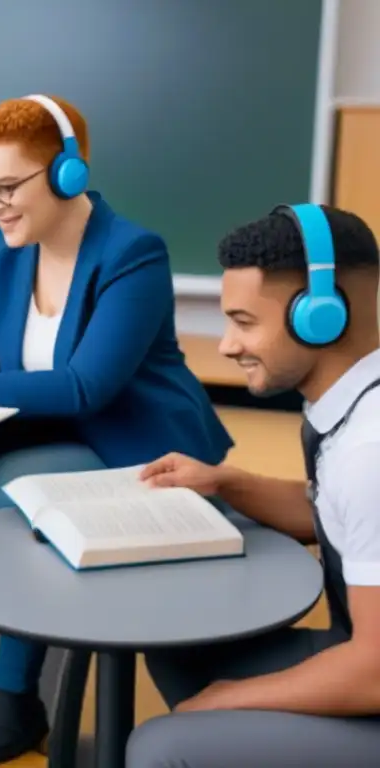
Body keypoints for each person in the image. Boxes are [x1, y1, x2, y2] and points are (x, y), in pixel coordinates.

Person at [0, 95, 234, 764]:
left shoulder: (133, 254)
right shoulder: (7, 254)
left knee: (11, 489)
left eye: (7, 187)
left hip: (130, 441)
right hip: (45, 429)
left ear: (67, 173)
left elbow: (87, 386)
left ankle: (16, 695)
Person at [126, 205, 380, 767]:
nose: (225, 345)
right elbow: (334, 515)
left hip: (373, 674)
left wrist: (230, 701)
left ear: (321, 314)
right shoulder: (352, 407)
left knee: (163, 748)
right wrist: (228, 482)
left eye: (243, 322)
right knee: (181, 653)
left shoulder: (370, 452)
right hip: (364, 654)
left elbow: (375, 671)